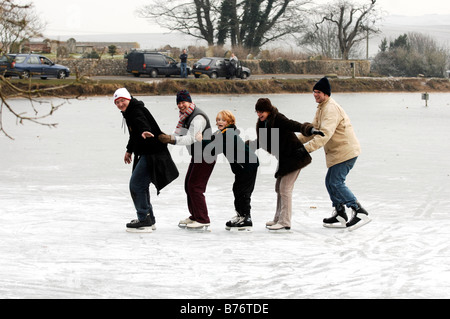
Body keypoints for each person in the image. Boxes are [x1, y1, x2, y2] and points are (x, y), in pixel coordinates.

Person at [298, 77, 371, 231]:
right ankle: (339, 213)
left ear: (326, 93)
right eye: (314, 91)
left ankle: (359, 211)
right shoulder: (322, 107)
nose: (315, 94)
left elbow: (324, 134)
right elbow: (313, 130)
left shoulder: (330, 109)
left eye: (318, 92)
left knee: (336, 182)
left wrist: (305, 149)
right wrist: (295, 142)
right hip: (339, 152)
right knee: (330, 181)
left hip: (346, 152)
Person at [249, 98, 324, 232]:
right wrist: (249, 145)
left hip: (295, 156)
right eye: (257, 112)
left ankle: (285, 221)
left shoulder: (278, 118)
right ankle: (278, 218)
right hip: (284, 158)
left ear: (268, 110)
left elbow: (293, 125)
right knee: (279, 187)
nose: (259, 114)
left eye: (262, 112)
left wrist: (310, 130)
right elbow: (264, 141)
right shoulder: (263, 123)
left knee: (285, 189)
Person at [114, 88, 179, 233]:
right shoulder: (129, 111)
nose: (120, 104)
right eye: (117, 102)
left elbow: (141, 122)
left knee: (136, 184)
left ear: (128, 98)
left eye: (122, 101)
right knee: (141, 185)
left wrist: (144, 130)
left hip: (153, 153)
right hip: (147, 152)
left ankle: (144, 219)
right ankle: (149, 219)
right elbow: (134, 134)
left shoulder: (135, 111)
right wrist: (129, 150)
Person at [158, 90, 216, 230]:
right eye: (178, 102)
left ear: (189, 101)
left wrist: (171, 139)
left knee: (195, 186)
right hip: (198, 155)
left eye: (183, 102)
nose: (181, 105)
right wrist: (165, 138)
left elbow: (191, 138)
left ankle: (202, 219)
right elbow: (177, 133)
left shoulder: (197, 117)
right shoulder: (185, 117)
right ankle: (195, 215)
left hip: (206, 155)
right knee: (188, 184)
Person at [197, 110, 259, 231]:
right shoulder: (222, 132)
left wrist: (201, 140)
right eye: (218, 119)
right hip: (241, 167)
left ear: (230, 122)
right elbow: (213, 139)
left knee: (243, 191)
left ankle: (247, 218)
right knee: (236, 189)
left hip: (248, 165)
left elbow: (215, 149)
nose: (220, 122)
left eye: (223, 120)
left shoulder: (229, 134)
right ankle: (240, 215)